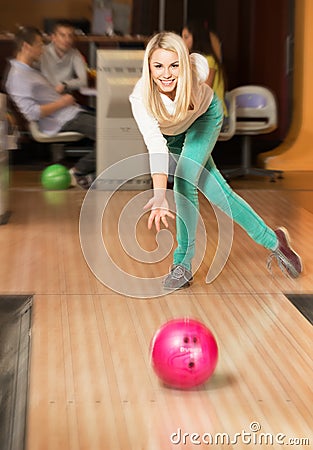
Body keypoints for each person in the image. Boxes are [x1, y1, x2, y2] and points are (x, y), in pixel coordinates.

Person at [129, 31, 303, 290]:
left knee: (185, 181)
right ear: (149, 67)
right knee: (221, 194)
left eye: (174, 65)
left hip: (204, 120)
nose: (166, 74)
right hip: (172, 135)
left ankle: (182, 266)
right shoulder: (140, 97)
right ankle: (275, 240)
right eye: (158, 66)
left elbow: (198, 68)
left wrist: (187, 84)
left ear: (184, 65)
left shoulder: (196, 69)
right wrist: (158, 194)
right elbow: (156, 145)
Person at [5, 26, 95, 189]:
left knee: (116, 127)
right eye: (39, 45)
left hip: (70, 113)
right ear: (26, 46)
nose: (43, 50)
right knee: (114, 134)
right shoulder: (18, 77)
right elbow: (32, 113)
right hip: (62, 119)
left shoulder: (28, 71)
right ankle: (78, 172)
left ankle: (88, 172)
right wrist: (62, 102)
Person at [181, 20, 228, 119]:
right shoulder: (192, 59)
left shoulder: (209, 60)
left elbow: (205, 90)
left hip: (215, 115)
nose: (182, 41)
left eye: (186, 37)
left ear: (196, 37)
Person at [40, 20, 88, 94]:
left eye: (70, 36)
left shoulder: (75, 53)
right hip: (45, 95)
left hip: (64, 97)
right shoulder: (42, 52)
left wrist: (65, 85)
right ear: (53, 37)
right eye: (63, 35)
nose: (67, 40)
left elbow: (83, 81)